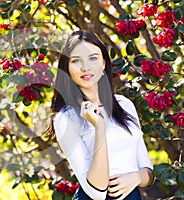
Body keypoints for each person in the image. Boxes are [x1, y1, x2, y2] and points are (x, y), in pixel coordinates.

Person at [49, 30, 154, 200]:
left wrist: (136, 178)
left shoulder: (124, 105)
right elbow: (97, 192)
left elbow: (148, 171)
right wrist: (99, 127)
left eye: (93, 58)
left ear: (104, 62)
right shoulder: (65, 118)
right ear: (67, 67)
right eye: (76, 61)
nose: (85, 67)